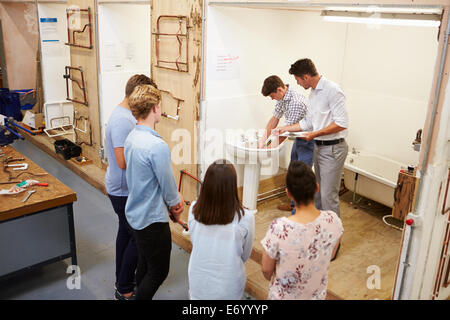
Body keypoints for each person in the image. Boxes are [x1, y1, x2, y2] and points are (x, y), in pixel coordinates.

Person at [124, 84, 185, 300]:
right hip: (152, 219)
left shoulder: (131, 137)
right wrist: (177, 204)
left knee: (144, 262)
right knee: (159, 271)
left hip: (135, 214)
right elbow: (168, 187)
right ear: (155, 109)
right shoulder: (156, 146)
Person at [274, 59, 349, 221]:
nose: (297, 84)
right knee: (319, 193)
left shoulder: (333, 90)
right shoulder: (313, 93)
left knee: (329, 196)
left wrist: (314, 134)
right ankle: (320, 230)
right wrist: (284, 128)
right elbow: (307, 123)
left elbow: (342, 123)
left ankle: (334, 241)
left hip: (333, 148)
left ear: (306, 77)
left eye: (298, 80)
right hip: (319, 146)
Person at [105, 74, 157, 300]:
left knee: (125, 235)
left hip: (124, 188)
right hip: (122, 189)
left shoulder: (126, 116)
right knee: (138, 239)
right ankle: (125, 288)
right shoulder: (121, 120)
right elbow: (122, 161)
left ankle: (122, 279)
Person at [261, 161, 343, 300]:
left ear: (288, 193)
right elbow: (329, 255)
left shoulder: (279, 228)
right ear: (316, 188)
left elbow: (266, 270)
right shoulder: (334, 221)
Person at [187, 160, 255, 300]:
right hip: (229, 286)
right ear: (233, 186)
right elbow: (245, 254)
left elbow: (195, 240)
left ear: (206, 185)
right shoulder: (245, 217)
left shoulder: (194, 210)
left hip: (198, 281)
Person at [260, 75, 314, 214]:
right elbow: (274, 120)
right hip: (299, 138)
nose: (272, 99)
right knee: (293, 171)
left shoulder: (295, 101)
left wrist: (268, 149)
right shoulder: (283, 97)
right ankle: (293, 204)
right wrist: (262, 142)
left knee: (301, 177)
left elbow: (285, 132)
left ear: (279, 89)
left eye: (272, 96)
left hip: (309, 140)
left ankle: (298, 213)